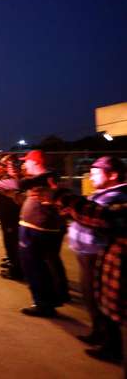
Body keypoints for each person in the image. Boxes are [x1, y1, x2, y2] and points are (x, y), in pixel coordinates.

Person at [55, 156, 127, 364]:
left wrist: (64, 198)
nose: (91, 177)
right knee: (93, 298)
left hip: (99, 254)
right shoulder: (103, 193)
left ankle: (111, 345)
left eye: (96, 173)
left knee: (106, 302)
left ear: (113, 175)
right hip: (88, 252)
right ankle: (99, 334)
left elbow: (98, 217)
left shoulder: (119, 196)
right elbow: (83, 214)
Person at [0, 150, 69, 317]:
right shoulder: (36, 180)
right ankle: (49, 299)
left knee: (38, 267)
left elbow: (17, 185)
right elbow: (19, 193)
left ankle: (45, 303)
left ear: (35, 162)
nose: (23, 165)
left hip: (40, 230)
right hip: (33, 227)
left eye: (26, 162)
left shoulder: (45, 176)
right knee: (37, 266)